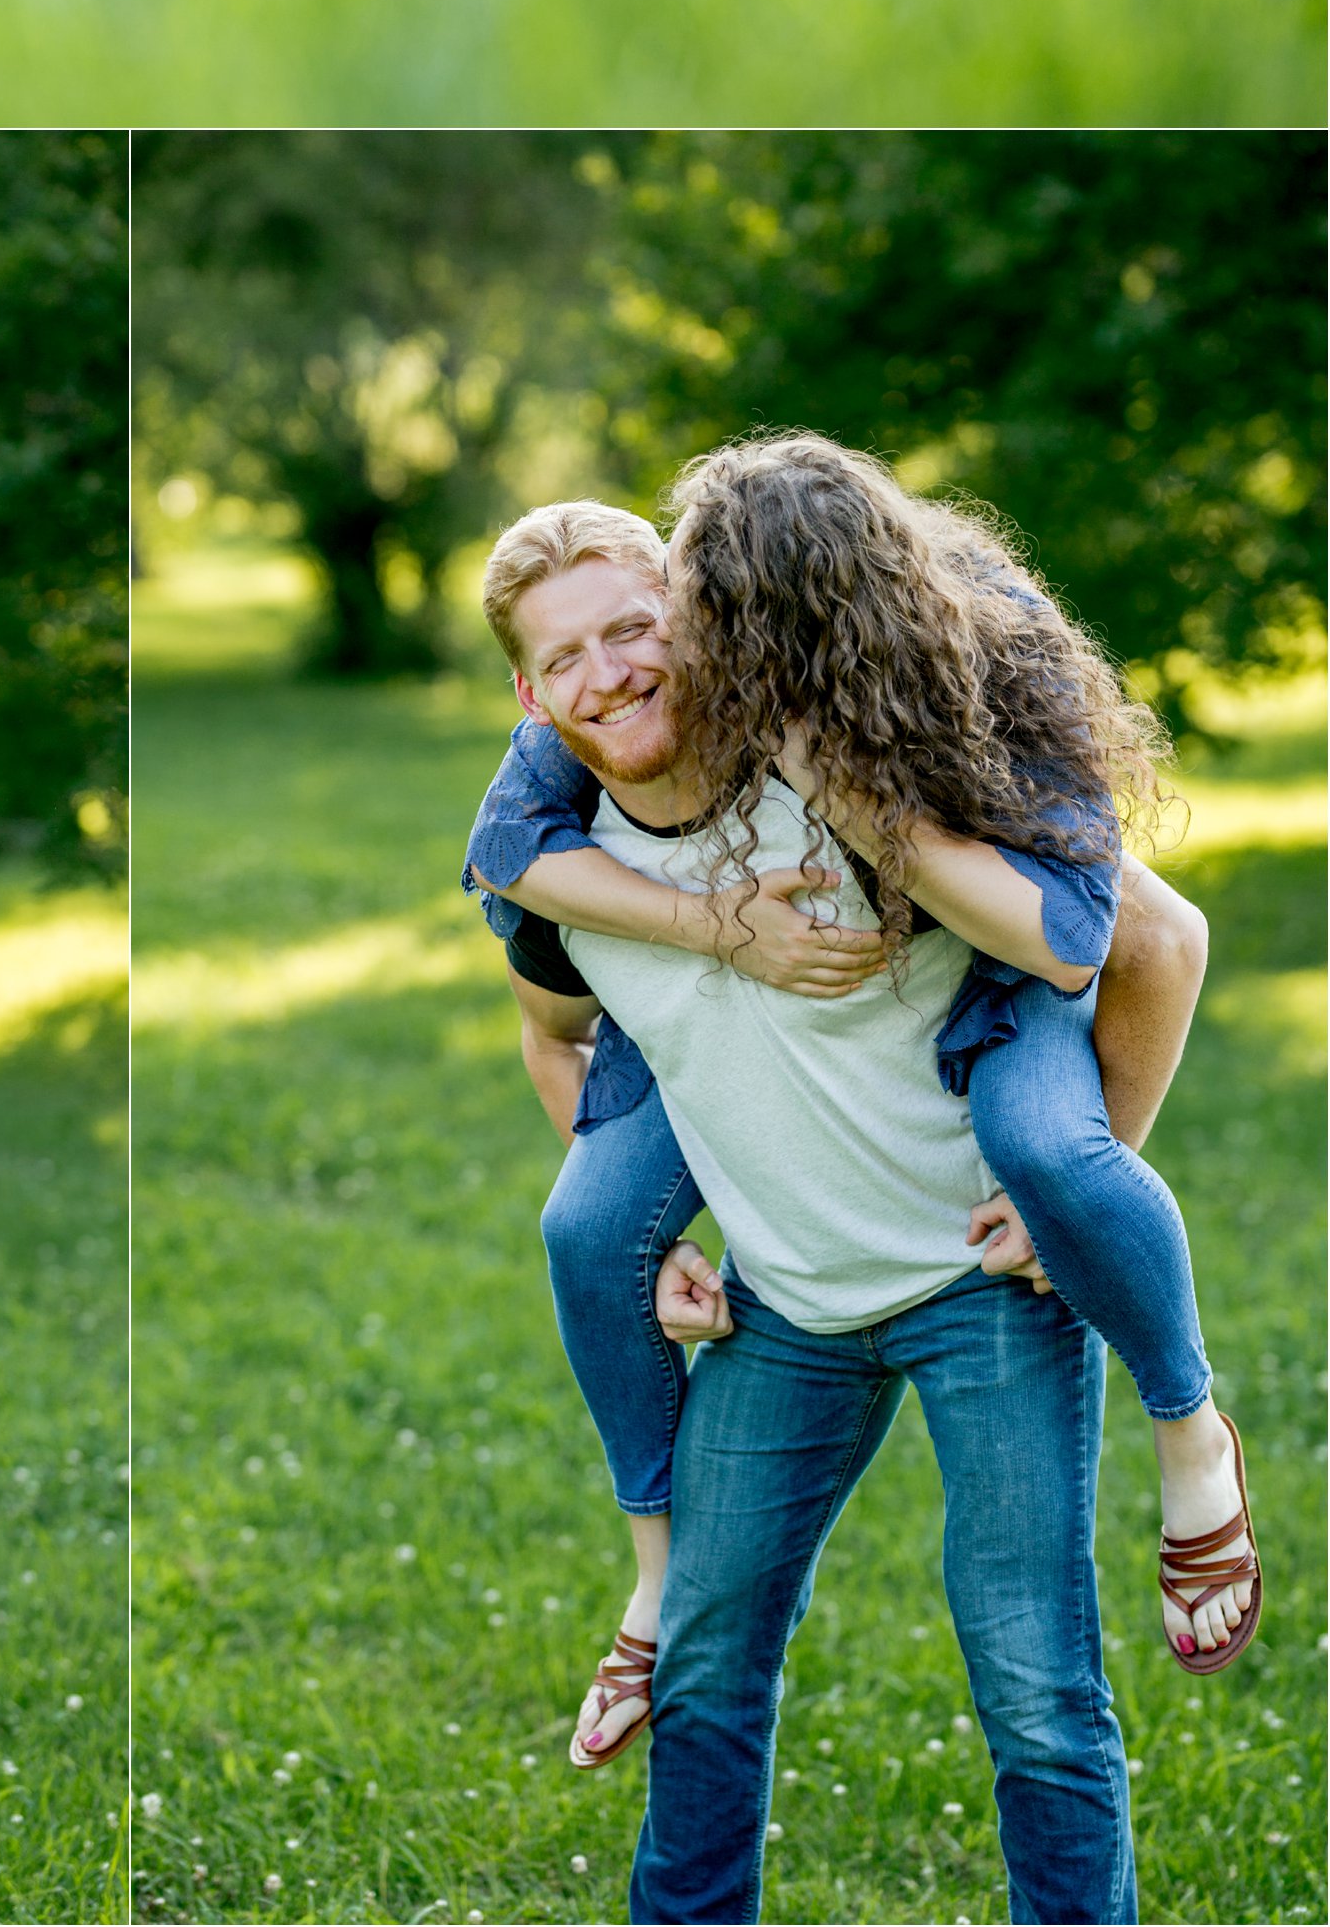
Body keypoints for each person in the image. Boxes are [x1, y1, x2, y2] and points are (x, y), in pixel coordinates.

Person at [469, 460, 1259, 1890]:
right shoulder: (556, 867)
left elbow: (1140, 935)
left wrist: (1075, 1181)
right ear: (528, 698)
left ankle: (1193, 1432)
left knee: (1032, 1694)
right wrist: (639, 1230)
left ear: (698, 618)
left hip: (983, 1286)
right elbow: (551, 1036)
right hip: (777, 1312)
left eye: (633, 625)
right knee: (702, 1684)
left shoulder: (852, 753)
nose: (609, 670)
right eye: (562, 656)